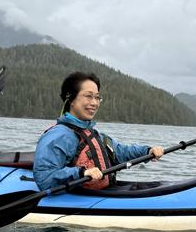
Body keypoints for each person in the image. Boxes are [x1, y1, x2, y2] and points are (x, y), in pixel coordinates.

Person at [33, 71, 165, 191]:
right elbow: (44, 178)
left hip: (102, 192)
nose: (94, 103)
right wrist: (81, 173)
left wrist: (147, 151)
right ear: (71, 99)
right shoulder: (59, 136)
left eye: (97, 97)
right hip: (78, 199)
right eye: (88, 96)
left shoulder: (93, 134)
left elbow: (120, 151)